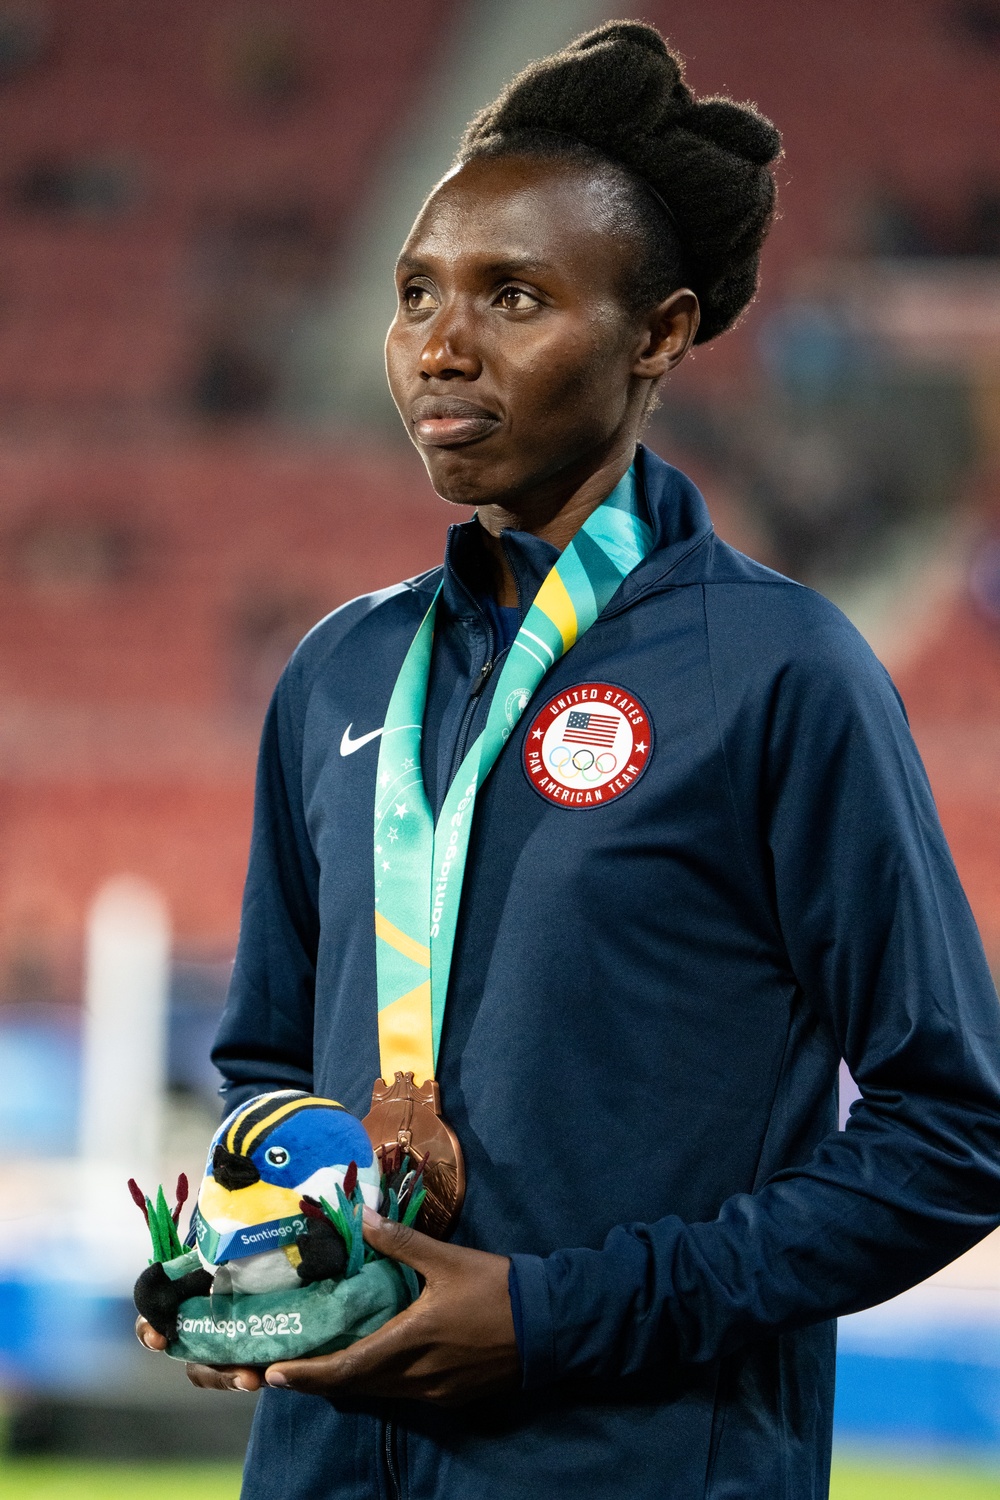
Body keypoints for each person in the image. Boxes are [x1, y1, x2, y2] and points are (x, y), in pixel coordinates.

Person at [137, 22, 1000, 1499]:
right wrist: (257, 1258)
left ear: (657, 332)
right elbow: (271, 1070)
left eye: (513, 296)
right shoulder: (338, 673)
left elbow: (955, 1133)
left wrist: (554, 1321)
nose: (440, 346)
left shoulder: (780, 672)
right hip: (326, 1468)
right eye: (416, 295)